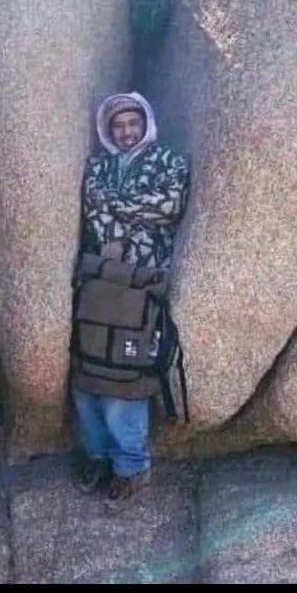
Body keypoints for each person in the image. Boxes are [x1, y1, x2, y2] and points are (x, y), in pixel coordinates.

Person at [71, 91, 190, 509]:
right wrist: (133, 210)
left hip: (142, 282)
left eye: (132, 123)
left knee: (125, 376)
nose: (126, 132)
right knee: (87, 374)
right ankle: (98, 457)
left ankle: (131, 468)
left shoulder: (169, 161)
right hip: (98, 280)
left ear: (146, 123)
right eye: (118, 126)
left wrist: (116, 207)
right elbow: (93, 209)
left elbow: (169, 206)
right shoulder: (97, 166)